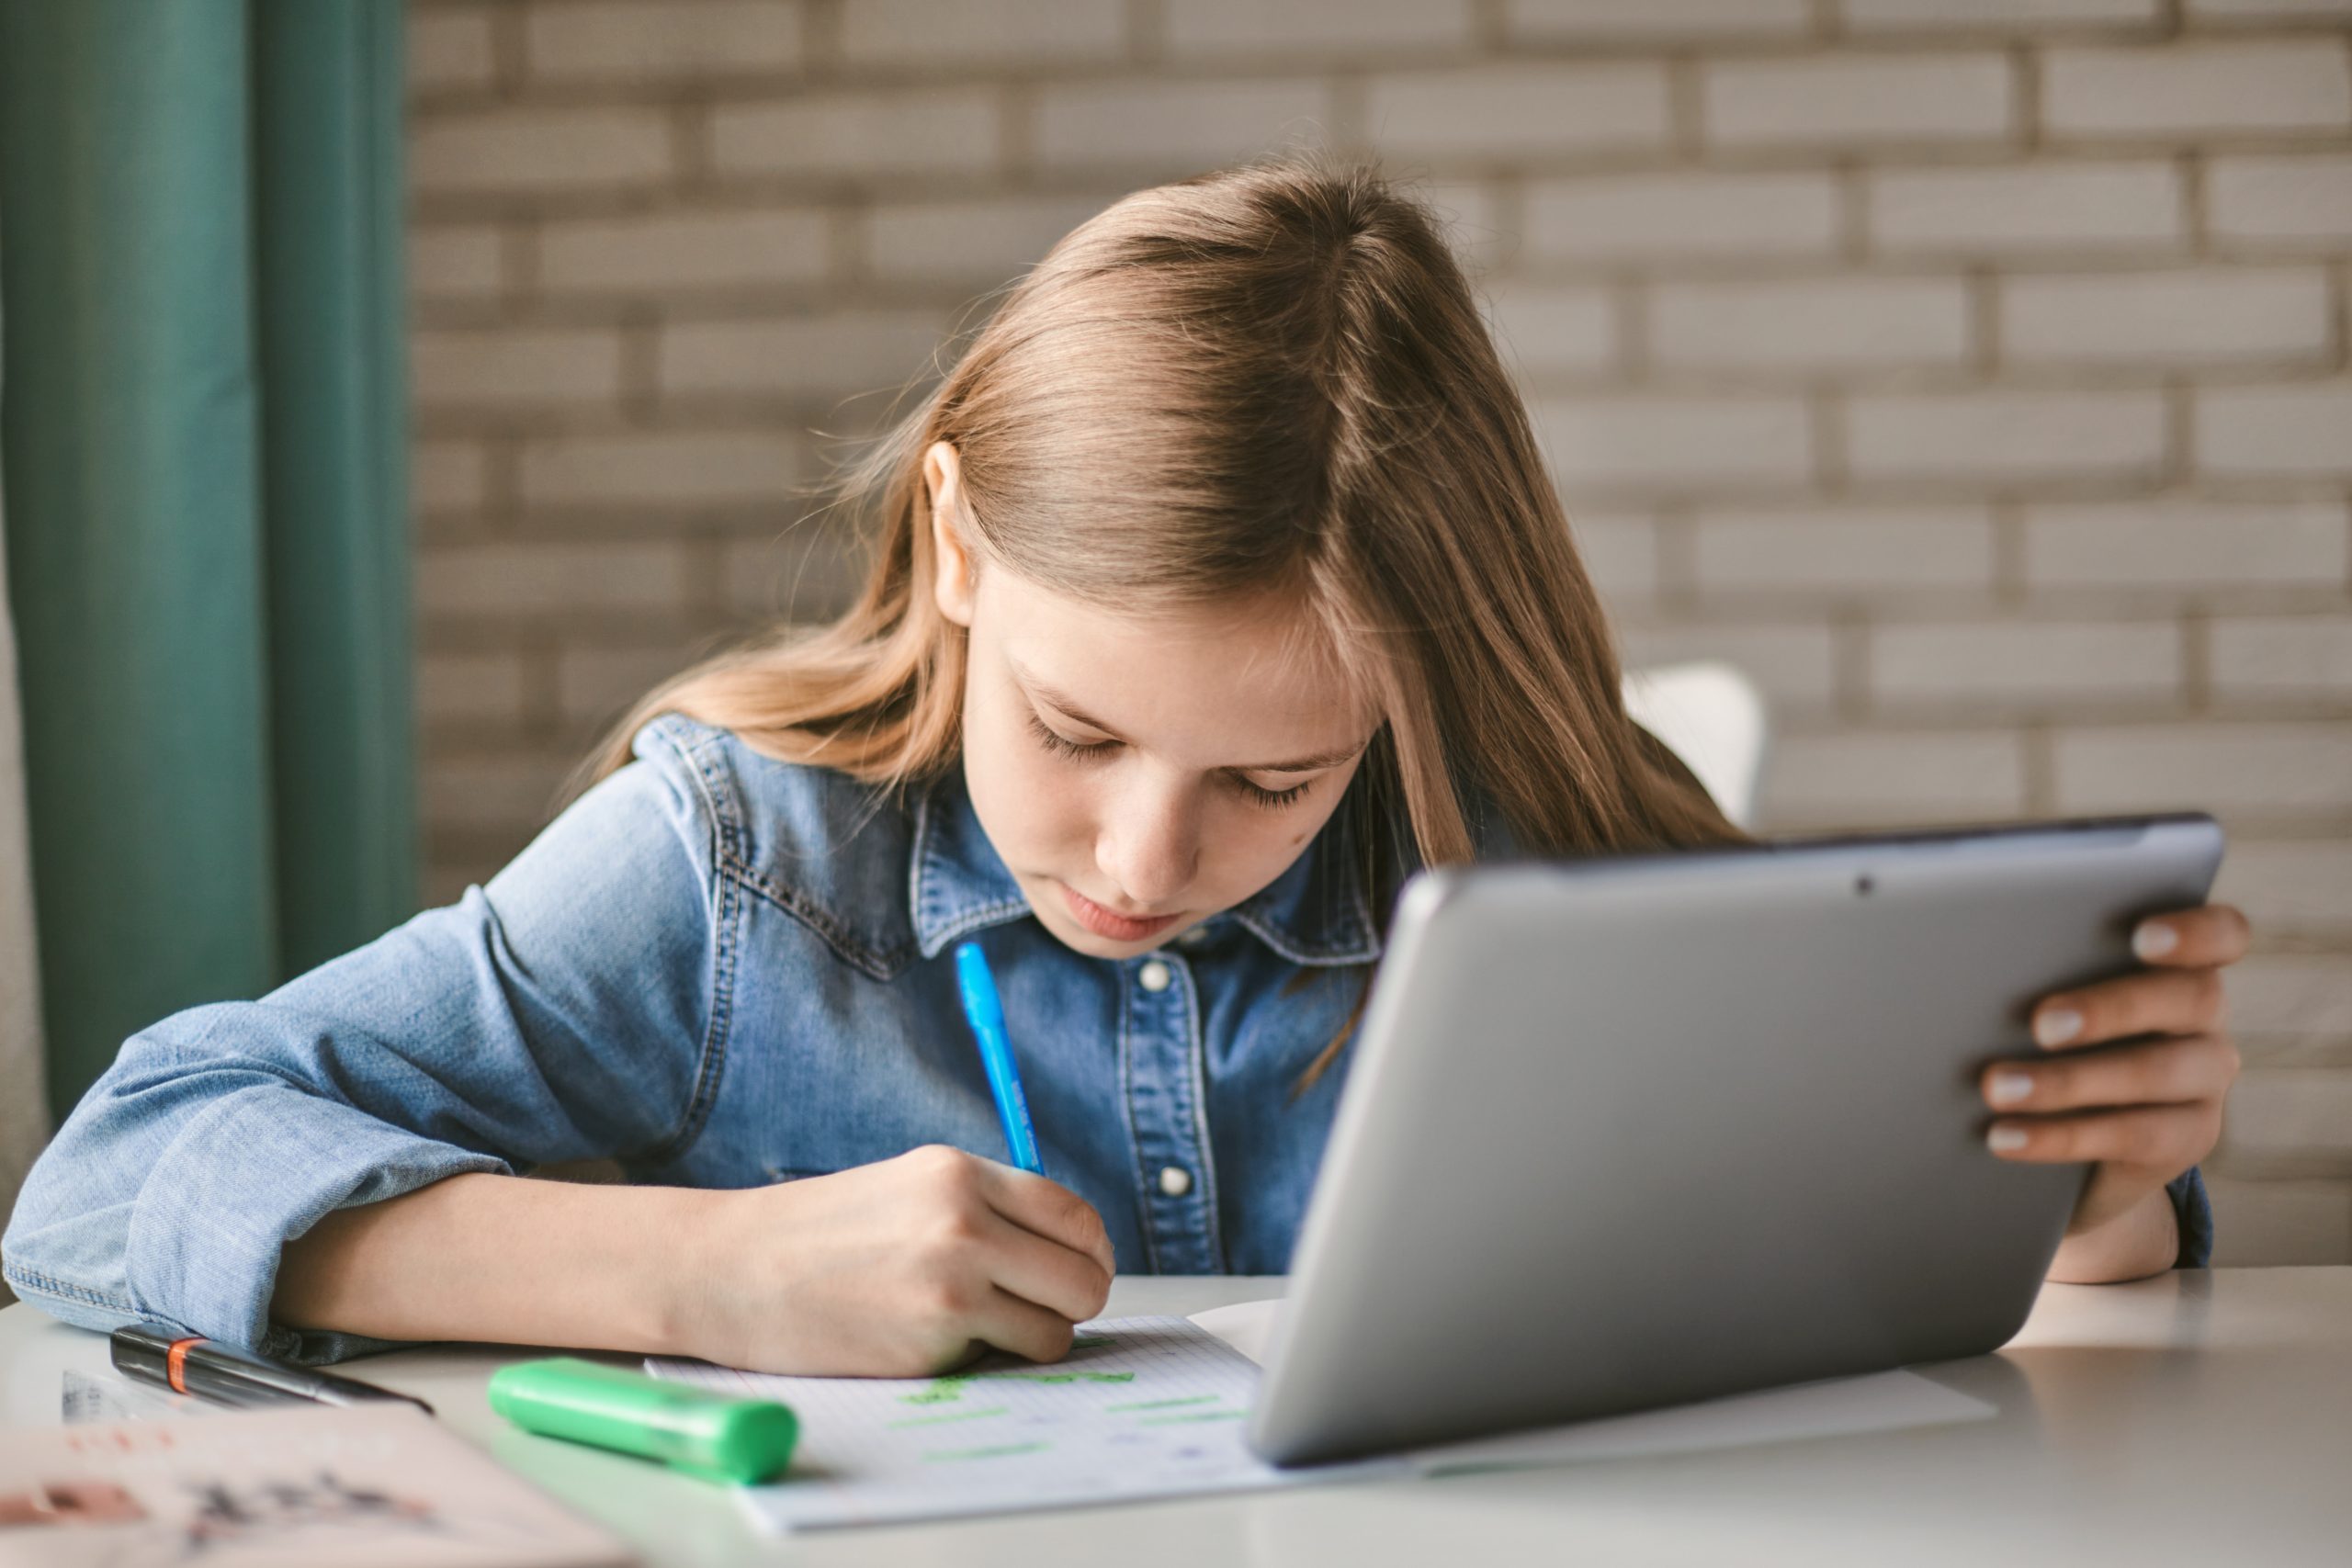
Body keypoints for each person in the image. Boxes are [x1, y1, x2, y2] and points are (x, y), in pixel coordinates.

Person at [2, 154, 2247, 1379]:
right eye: (1076, 732)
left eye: (1274, 780)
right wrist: (696, 1278)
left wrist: (2098, 1190)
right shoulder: (730, 871)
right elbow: (108, 1174)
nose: (1144, 854)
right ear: (960, 544)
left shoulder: (1540, 856)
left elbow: (1955, 1339)